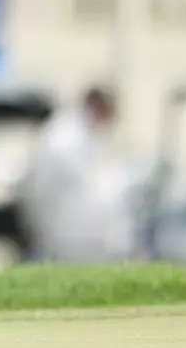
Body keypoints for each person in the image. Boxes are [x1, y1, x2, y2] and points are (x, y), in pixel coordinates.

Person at [16, 84, 146, 262]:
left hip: (79, 238)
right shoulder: (65, 137)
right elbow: (41, 190)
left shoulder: (82, 137)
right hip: (67, 239)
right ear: (98, 107)